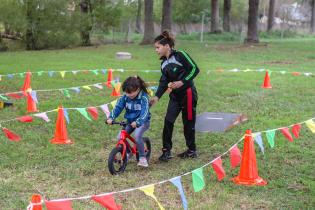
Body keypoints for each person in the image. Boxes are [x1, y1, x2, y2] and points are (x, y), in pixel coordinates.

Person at [150, 31, 200, 162]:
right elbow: (163, 82)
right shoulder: (163, 64)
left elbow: (195, 69)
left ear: (167, 46)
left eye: (158, 47)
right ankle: (166, 151)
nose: (156, 50)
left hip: (188, 94)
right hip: (175, 97)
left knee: (188, 123)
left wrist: (182, 82)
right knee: (168, 121)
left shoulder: (181, 55)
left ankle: (192, 150)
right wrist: (157, 97)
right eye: (155, 48)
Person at [107, 76, 151, 167]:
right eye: (126, 92)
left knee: (137, 136)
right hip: (130, 121)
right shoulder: (125, 97)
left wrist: (138, 122)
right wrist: (111, 118)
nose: (129, 95)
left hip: (143, 122)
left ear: (138, 89)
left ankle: (143, 158)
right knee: (120, 137)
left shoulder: (144, 98)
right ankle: (129, 152)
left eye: (131, 93)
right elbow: (117, 108)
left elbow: (145, 112)